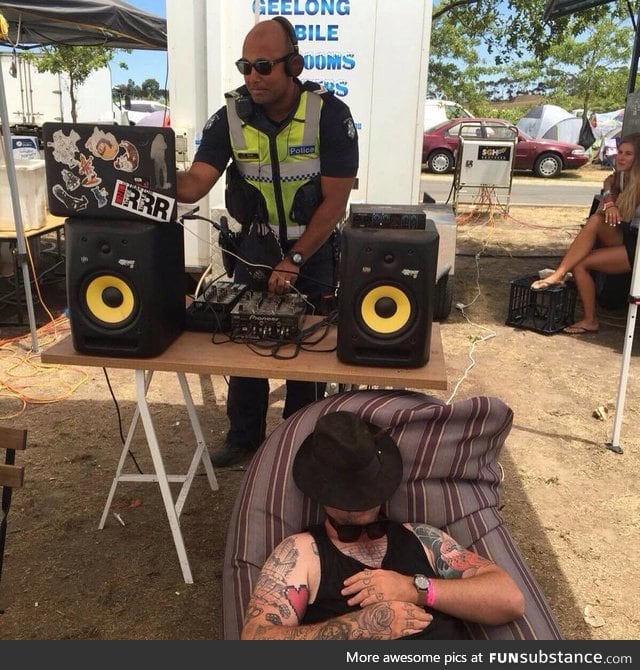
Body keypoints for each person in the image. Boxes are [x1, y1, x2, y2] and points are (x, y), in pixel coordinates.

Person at [176, 18, 359, 467]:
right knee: (245, 344)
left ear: (293, 64)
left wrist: (296, 257)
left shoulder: (329, 114)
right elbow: (195, 183)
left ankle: (301, 442)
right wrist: (143, 172)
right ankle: (244, 439)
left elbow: (335, 201)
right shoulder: (230, 117)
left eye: (263, 66)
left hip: (312, 251)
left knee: (309, 353)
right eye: (245, 67)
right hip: (252, 249)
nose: (252, 77)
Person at [241, 412, 525, 640]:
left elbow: (509, 599)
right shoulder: (300, 552)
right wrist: (359, 628)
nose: (360, 500)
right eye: (347, 493)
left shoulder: (422, 537)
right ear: (319, 492)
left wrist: (417, 589)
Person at [531, 133, 640, 334]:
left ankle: (561, 274)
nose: (621, 157)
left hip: (638, 247)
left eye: (628, 154)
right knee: (595, 225)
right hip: (627, 236)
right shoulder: (623, 175)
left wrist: (611, 204)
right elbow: (609, 183)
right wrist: (609, 201)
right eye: (620, 152)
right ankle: (588, 317)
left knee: (586, 252)